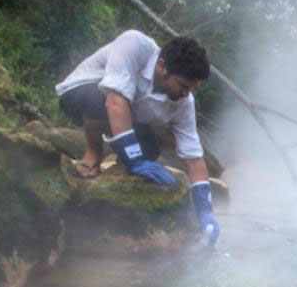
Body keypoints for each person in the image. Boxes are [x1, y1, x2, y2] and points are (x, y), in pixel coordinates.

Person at [55, 30, 220, 244]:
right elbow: (114, 100)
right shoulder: (135, 45)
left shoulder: (184, 103)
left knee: (150, 150)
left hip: (124, 111)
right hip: (81, 92)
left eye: (191, 89)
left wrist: (205, 212)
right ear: (162, 67)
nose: (186, 94)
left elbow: (194, 158)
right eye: (182, 86)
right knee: (99, 100)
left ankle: (118, 165)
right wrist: (134, 158)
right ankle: (93, 152)